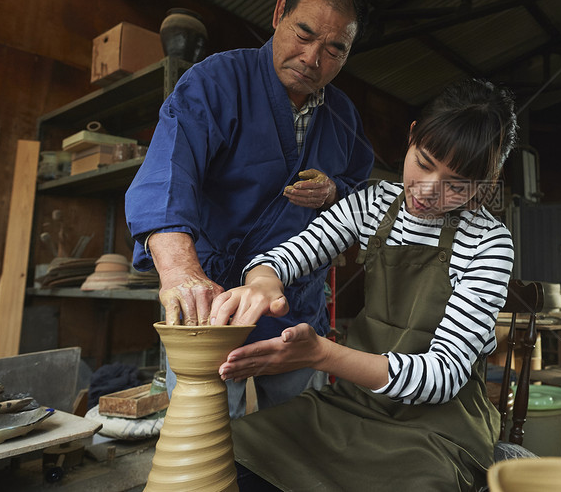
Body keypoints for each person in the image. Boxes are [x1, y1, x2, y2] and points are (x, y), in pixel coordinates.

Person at [210, 78, 518, 492]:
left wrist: (321, 355)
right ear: (411, 137)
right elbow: (287, 255)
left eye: (457, 184)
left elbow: (441, 377)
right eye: (424, 163)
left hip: (439, 429)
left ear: (485, 183)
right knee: (231, 450)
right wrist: (263, 280)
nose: (428, 191)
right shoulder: (372, 204)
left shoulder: (489, 243)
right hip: (354, 404)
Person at [124, 0, 374, 418]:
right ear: (279, 12)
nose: (313, 59)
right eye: (304, 34)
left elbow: (363, 194)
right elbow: (167, 173)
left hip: (294, 301)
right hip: (212, 301)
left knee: (294, 439)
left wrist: (335, 192)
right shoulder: (215, 82)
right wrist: (180, 270)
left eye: (335, 49)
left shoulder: (343, 117)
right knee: (206, 438)